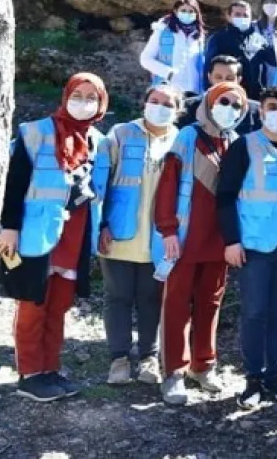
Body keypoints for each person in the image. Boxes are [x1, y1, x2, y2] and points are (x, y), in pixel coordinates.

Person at [0, 73, 109, 402]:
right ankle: (30, 373)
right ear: (66, 95)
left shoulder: (98, 141)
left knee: (58, 306)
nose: (84, 102)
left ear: (101, 104)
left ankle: (50, 368)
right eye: (78, 94)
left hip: (73, 237)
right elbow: (14, 183)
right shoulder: (35, 132)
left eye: (92, 97)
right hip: (35, 234)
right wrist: (9, 227)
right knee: (33, 304)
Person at [154, 81, 248, 405]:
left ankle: (203, 365)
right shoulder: (188, 136)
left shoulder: (236, 142)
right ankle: (173, 373)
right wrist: (167, 230)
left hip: (220, 240)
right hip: (185, 236)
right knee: (177, 304)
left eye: (237, 105)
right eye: (224, 101)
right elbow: (167, 183)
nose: (230, 110)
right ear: (208, 101)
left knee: (210, 303)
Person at [217, 86, 277, 409]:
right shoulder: (245, 146)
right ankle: (253, 379)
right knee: (254, 313)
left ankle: (275, 377)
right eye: (272, 106)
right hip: (254, 245)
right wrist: (231, 240)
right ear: (261, 111)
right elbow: (225, 196)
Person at [97, 84, 184, 387]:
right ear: (144, 103)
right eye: (154, 100)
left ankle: (148, 356)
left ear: (178, 110)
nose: (160, 107)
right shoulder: (120, 134)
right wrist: (100, 224)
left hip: (160, 239)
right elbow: (99, 182)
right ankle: (119, 359)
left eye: (168, 103)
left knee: (152, 298)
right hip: (119, 233)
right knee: (117, 297)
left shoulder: (181, 140)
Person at [204, 0, 277, 102]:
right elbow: (208, 67)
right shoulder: (219, 38)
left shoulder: (259, 39)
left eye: (245, 15)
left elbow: (273, 61)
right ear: (229, 17)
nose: (242, 18)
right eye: (237, 14)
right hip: (228, 94)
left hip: (254, 95)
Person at [179, 55, 263, 137]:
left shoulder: (255, 112)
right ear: (209, 77)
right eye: (218, 77)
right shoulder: (188, 108)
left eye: (229, 78)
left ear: (239, 80)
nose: (223, 82)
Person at [140, 0, 206, 96]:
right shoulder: (162, 31)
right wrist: (168, 73)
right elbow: (145, 59)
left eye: (191, 11)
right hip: (168, 90)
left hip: (194, 92)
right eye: (183, 10)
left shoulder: (199, 36)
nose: (187, 14)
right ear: (175, 11)